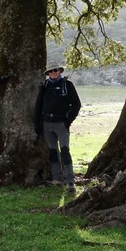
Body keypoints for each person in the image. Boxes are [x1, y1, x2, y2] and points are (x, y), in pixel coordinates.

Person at [34, 61, 81, 192]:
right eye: (51, 71)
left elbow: (76, 105)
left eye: (55, 70)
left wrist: (68, 121)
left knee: (65, 151)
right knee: (53, 151)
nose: (53, 73)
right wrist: (36, 124)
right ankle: (57, 179)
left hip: (62, 124)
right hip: (47, 124)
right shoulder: (44, 86)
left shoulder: (68, 85)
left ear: (59, 71)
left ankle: (70, 181)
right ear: (48, 73)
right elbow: (38, 106)